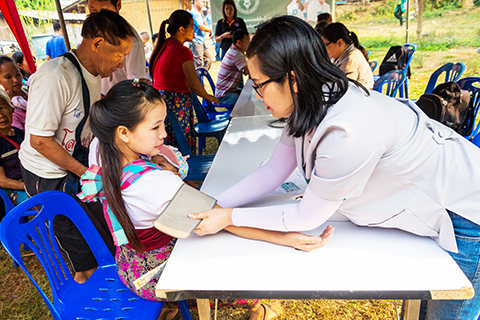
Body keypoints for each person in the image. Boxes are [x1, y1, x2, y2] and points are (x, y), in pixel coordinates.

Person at [188, 15, 480, 320]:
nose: (258, 98)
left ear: (293, 78)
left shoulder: (347, 130)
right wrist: (216, 206)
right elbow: (274, 170)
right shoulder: (310, 101)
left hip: (464, 211)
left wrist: (227, 217)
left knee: (446, 313)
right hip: (427, 200)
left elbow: (306, 216)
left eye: (260, 86)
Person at [80, 79, 332, 317]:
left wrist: (160, 162)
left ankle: (172, 307)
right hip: (154, 274)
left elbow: (169, 161)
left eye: (163, 124)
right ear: (124, 132)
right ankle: (259, 307)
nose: (164, 134)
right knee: (233, 261)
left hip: (128, 263)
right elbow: (216, 218)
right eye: (155, 127)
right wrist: (284, 238)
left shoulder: (102, 148)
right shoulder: (155, 184)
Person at [19, 10, 133, 284]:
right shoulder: (55, 77)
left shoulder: (93, 74)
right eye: (119, 55)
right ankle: (92, 290)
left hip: (73, 165)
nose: (121, 63)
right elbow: (40, 141)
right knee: (81, 248)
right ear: (96, 44)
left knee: (102, 233)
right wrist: (86, 172)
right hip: (47, 175)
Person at [149, 10, 218, 153]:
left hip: (160, 102)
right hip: (176, 102)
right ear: (181, 29)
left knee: (169, 143)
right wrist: (210, 98)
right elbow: (194, 84)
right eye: (192, 27)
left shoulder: (164, 45)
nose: (194, 30)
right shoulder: (182, 51)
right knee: (182, 143)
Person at [87, 0, 148, 95]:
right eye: (93, 9)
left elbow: (137, 80)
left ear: (118, 4)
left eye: (104, 10)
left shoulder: (131, 41)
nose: (98, 17)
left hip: (117, 104)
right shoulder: (91, 35)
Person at [321, 22, 374, 89]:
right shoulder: (338, 55)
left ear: (340, 43)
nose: (324, 50)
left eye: (326, 45)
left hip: (358, 96)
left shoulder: (351, 59)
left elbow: (343, 89)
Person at [0, 89, 27, 207]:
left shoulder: (20, 133)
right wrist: (27, 186)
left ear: (11, 109)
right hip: (14, 189)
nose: (1, 116)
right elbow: (2, 181)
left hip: (29, 182)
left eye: (2, 108)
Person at [215, 29, 250, 108]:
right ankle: (239, 117)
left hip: (226, 91)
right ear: (239, 43)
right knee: (244, 99)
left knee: (246, 95)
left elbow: (245, 70)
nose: (249, 44)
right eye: (247, 42)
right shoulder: (236, 54)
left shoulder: (233, 50)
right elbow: (248, 71)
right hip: (224, 96)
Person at [0, 55, 28, 130]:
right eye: (8, 77)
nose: (15, 80)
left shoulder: (28, 90)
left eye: (18, 74)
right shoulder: (6, 107)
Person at [189, 0, 213, 70]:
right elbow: (201, 27)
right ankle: (198, 79)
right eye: (202, 1)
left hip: (201, 41)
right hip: (196, 42)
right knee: (199, 64)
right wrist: (213, 30)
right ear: (196, 1)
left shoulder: (198, 13)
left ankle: (201, 76)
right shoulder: (194, 13)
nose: (203, 4)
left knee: (209, 59)